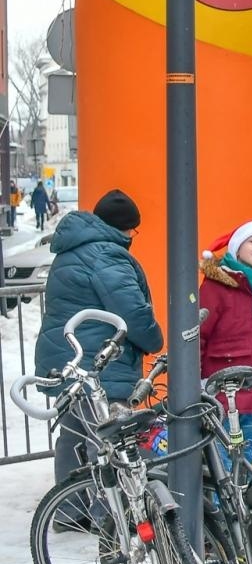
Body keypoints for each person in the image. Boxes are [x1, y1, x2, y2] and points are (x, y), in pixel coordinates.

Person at [36, 190, 164, 498]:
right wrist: (154, 339)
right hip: (101, 366)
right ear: (126, 228)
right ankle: (108, 516)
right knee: (107, 443)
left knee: (73, 438)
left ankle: (68, 510)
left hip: (68, 362)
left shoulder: (71, 250)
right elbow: (132, 313)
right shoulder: (107, 255)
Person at [198, 220, 252, 466]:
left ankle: (241, 492)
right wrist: (196, 384)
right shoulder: (216, 286)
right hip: (222, 393)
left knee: (247, 458)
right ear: (237, 248)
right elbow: (197, 335)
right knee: (221, 462)